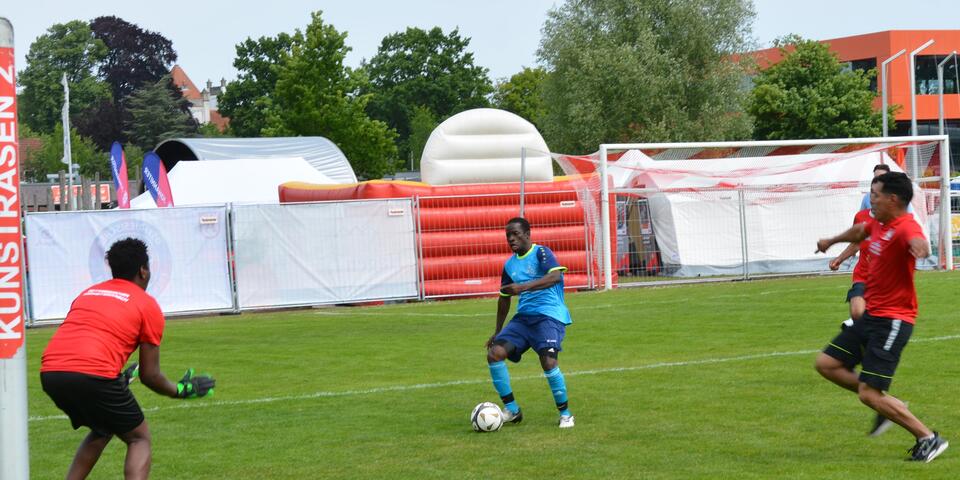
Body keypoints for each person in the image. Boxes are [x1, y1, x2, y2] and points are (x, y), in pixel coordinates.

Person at [41, 238, 216, 479]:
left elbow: (84, 339)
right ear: (143, 271)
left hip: (51, 374)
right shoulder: (147, 304)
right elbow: (150, 376)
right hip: (94, 375)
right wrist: (180, 390)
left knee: (103, 428)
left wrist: (113, 380)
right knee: (139, 438)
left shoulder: (88, 293)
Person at [814, 172, 948, 462]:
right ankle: (887, 403)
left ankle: (928, 438)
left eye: (875, 195)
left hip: (893, 321)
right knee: (827, 364)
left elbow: (917, 240)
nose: (871, 199)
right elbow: (859, 231)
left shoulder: (904, 227)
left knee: (868, 394)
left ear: (893, 199)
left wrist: (921, 247)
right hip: (872, 316)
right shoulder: (879, 223)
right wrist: (831, 241)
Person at [485, 217, 575, 429]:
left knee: (548, 362)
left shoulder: (541, 252)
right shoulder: (509, 265)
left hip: (549, 316)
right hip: (524, 319)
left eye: (515, 234)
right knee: (494, 354)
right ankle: (512, 410)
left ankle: (566, 414)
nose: (511, 238)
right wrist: (497, 331)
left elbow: (555, 277)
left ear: (527, 234)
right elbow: (504, 297)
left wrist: (522, 287)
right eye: (508, 235)